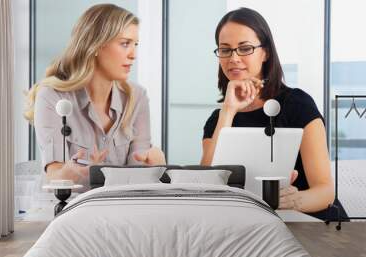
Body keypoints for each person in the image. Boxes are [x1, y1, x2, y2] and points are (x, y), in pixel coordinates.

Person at [201, 7, 346, 219]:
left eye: (245, 48)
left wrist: (293, 201)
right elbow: (207, 184)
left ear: (265, 52)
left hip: (313, 223)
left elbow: (325, 191)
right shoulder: (218, 119)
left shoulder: (297, 104)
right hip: (256, 225)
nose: (233, 58)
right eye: (225, 50)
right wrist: (228, 110)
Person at [24, 4, 165, 185]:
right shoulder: (52, 96)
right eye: (125, 44)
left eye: (135, 44)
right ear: (96, 45)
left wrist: (155, 166)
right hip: (72, 208)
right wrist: (69, 174)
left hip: (120, 207)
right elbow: (55, 175)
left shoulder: (137, 97)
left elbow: (137, 179)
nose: (133, 55)